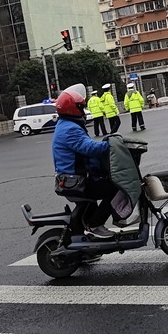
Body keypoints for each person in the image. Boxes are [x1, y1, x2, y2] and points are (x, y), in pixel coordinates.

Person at [51, 83, 116, 239]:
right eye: (80, 107)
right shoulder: (70, 129)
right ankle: (95, 226)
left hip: (73, 178)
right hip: (76, 181)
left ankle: (89, 237)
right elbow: (89, 148)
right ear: (73, 109)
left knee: (98, 194)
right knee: (115, 188)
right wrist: (111, 144)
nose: (83, 111)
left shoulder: (66, 124)